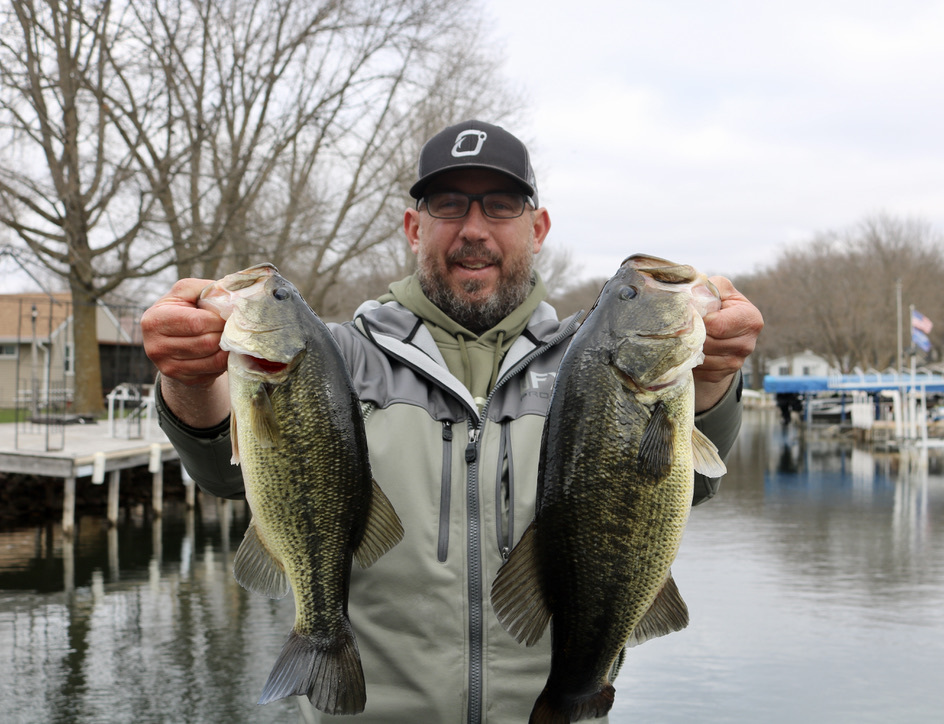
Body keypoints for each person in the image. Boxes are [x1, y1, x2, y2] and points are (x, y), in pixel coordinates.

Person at [141, 120, 764, 724]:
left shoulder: (590, 361)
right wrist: (188, 378)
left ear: (538, 228)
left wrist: (709, 378)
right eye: (448, 206)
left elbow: (687, 484)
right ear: (415, 227)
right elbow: (227, 473)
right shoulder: (334, 357)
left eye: (499, 206)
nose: (473, 231)